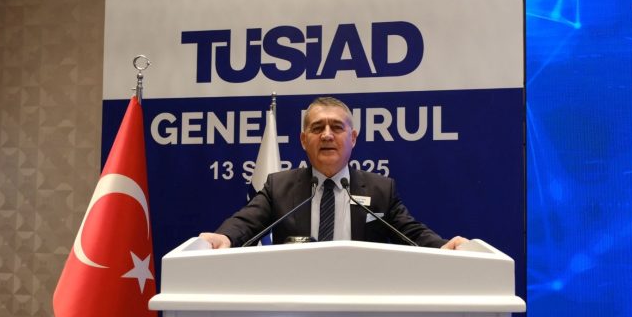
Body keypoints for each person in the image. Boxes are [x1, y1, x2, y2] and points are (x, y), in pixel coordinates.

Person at [200, 96, 468, 250]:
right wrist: (224, 237)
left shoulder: (380, 190)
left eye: (337, 128)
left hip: (361, 304)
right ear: (303, 140)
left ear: (353, 138)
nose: (327, 135)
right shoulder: (279, 187)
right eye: (317, 128)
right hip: (296, 303)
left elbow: (411, 232)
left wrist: (442, 246)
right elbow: (246, 222)